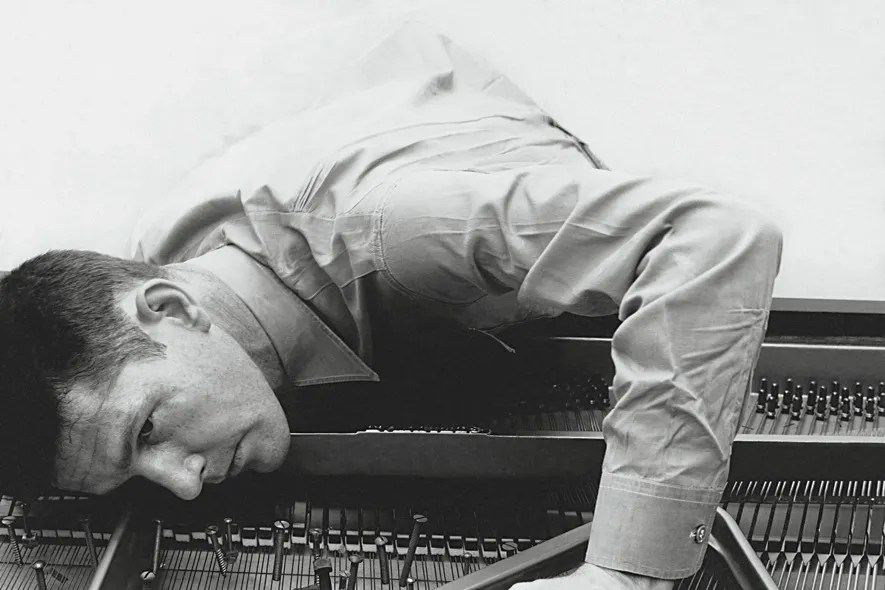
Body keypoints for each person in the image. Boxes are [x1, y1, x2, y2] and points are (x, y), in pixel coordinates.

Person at [0, 24, 781, 589]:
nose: (184, 485)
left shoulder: (403, 231)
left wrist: (624, 574)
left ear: (173, 307)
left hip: (455, 167)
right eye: (132, 476)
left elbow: (715, 232)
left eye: (148, 430)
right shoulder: (150, 263)